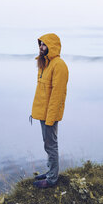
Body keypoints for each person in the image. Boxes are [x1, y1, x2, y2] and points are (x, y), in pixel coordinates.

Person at [31, 33, 69, 188]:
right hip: (43, 113)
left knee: (51, 145)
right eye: (40, 44)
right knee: (48, 144)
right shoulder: (45, 64)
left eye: (44, 44)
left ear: (52, 46)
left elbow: (57, 96)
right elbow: (43, 92)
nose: (41, 47)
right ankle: (50, 171)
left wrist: (50, 118)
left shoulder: (59, 65)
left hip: (49, 115)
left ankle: (52, 179)